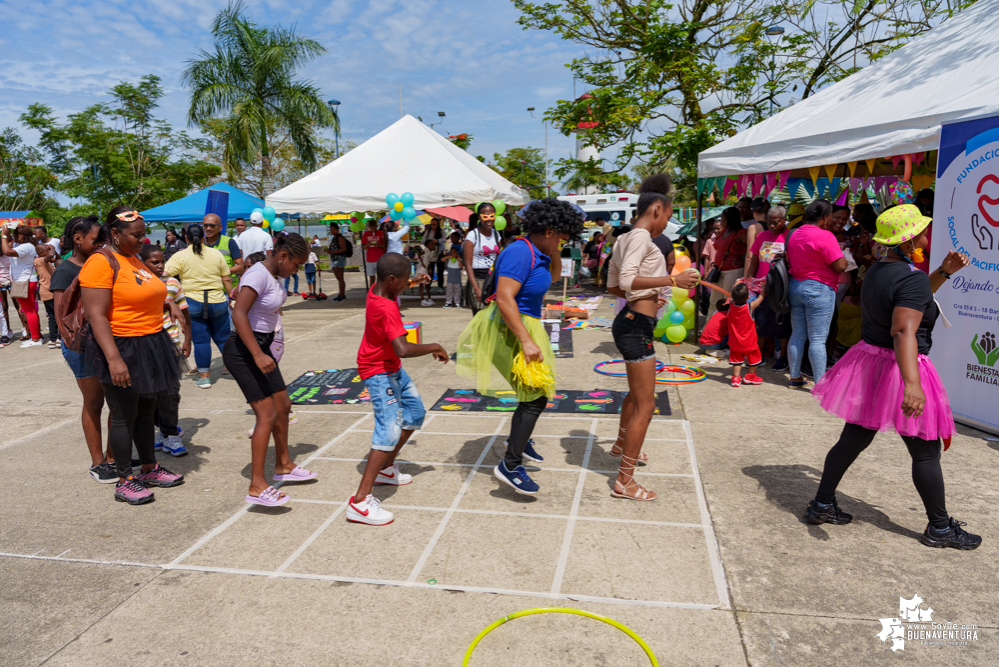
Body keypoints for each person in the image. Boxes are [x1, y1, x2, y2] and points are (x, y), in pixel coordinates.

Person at [805, 205, 980, 550]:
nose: (926, 235)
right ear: (909, 238)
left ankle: (822, 503)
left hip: (870, 364)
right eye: (921, 230)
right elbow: (903, 330)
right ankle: (940, 528)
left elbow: (912, 298)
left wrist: (943, 273)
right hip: (899, 369)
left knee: (853, 438)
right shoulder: (909, 276)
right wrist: (912, 384)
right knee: (926, 452)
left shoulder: (879, 270)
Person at [457, 199, 584, 495]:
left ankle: (518, 440)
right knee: (535, 397)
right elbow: (504, 297)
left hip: (523, 326)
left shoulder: (539, 251)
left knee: (530, 393)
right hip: (506, 330)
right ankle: (510, 465)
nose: (564, 241)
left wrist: (554, 250)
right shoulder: (519, 251)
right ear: (550, 229)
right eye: (562, 235)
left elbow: (552, 277)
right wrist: (526, 341)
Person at [79, 206, 184, 505]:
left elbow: (141, 290)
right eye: (136, 235)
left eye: (143, 233)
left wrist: (166, 302)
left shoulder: (132, 257)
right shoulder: (101, 263)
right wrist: (114, 359)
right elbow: (96, 314)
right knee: (124, 415)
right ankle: (125, 479)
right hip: (122, 346)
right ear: (115, 234)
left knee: (147, 411)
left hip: (151, 342)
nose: (143, 239)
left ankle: (149, 468)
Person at [606, 174, 699, 501]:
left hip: (633, 320)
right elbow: (629, 280)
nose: (668, 223)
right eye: (669, 216)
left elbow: (615, 286)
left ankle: (620, 444)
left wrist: (651, 294)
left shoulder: (626, 238)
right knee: (647, 403)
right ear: (657, 209)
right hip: (634, 328)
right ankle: (625, 481)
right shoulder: (641, 238)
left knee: (637, 395)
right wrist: (673, 280)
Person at [347, 253, 448, 525]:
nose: (407, 284)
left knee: (415, 413)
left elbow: (395, 283)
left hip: (391, 368)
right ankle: (359, 503)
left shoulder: (379, 288)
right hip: (378, 372)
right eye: (404, 281)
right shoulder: (387, 307)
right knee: (389, 429)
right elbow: (403, 348)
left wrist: (412, 281)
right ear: (391, 280)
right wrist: (434, 346)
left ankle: (386, 469)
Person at [223, 232, 316, 506]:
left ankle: (284, 464)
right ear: (283, 256)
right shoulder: (258, 275)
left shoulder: (273, 276)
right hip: (244, 350)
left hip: (261, 347)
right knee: (266, 413)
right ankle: (257, 485)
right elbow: (238, 314)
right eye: (296, 265)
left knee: (283, 405)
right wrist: (256, 353)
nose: (296, 270)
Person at [52, 216, 116, 482]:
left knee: (117, 402)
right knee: (94, 402)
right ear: (77, 239)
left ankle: (115, 457)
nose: (102, 243)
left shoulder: (101, 263)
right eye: (96, 239)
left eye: (103, 239)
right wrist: (82, 348)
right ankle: (98, 462)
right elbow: (61, 317)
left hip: (107, 341)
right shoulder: (65, 271)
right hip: (81, 347)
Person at [786, 199, 847, 387]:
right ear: (825, 217)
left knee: (797, 335)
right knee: (818, 340)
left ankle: (795, 376)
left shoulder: (793, 234)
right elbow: (841, 265)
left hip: (795, 286)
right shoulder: (825, 236)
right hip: (819, 288)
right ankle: (820, 384)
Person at [164, 223, 233, 389]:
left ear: (186, 238)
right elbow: (227, 279)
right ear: (204, 238)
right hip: (218, 302)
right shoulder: (216, 253)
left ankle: (205, 377)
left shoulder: (180, 256)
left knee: (201, 342)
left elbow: (164, 275)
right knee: (224, 339)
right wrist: (231, 298)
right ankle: (239, 369)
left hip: (193, 303)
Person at [140, 244, 191, 457]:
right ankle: (162, 427)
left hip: (171, 346)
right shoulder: (137, 284)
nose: (161, 266)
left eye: (162, 261)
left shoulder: (172, 283)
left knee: (170, 391)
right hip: (146, 346)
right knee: (149, 393)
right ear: (142, 263)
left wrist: (187, 339)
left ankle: (169, 434)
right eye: (155, 262)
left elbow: (185, 314)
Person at [748, 205, 792, 371]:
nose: (772, 226)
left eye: (776, 222)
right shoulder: (761, 236)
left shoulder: (790, 237)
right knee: (760, 322)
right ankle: (757, 355)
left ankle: (782, 358)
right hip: (761, 287)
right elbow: (754, 261)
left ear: (784, 220)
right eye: (769, 222)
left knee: (782, 324)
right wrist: (750, 282)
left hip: (781, 288)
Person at [0, 224, 43, 347]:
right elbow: (8, 245)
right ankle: (36, 336)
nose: (13, 237)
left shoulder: (26, 247)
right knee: (30, 310)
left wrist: (3, 235)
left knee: (29, 311)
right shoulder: (24, 246)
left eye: (14, 235)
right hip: (25, 281)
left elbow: (6, 251)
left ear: (21, 236)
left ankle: (35, 339)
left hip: (24, 282)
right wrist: (7, 235)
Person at [463, 203, 501, 314]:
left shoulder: (496, 234)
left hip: (493, 279)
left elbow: (499, 258)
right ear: (479, 217)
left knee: (494, 315)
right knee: (480, 315)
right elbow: (468, 265)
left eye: (491, 215)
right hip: (478, 279)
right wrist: (476, 289)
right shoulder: (472, 235)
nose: (489, 219)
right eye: (485, 216)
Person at [709, 207, 747, 317]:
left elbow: (753, 248)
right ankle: (710, 327)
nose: (721, 221)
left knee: (728, 301)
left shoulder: (740, 233)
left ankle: (726, 330)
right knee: (714, 301)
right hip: (719, 271)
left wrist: (743, 261)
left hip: (733, 272)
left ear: (729, 219)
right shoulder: (724, 231)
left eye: (723, 218)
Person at [727, 283, 766, 388]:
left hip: (735, 341)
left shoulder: (731, 306)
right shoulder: (750, 307)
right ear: (748, 297)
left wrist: (735, 283)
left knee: (736, 360)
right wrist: (764, 289)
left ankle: (735, 378)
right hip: (749, 342)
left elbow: (731, 296)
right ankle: (750, 376)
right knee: (755, 359)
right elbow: (761, 298)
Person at [203, 213, 244, 285]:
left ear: (220, 227)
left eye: (212, 226)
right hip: (208, 290)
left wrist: (221, 271)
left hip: (227, 291)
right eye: (205, 226)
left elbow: (241, 267)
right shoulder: (201, 244)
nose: (208, 228)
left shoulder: (229, 242)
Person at [33, 243, 59, 348]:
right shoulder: (39, 260)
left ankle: (53, 339)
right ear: (40, 253)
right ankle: (56, 338)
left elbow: (58, 259)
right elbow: (50, 255)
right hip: (48, 291)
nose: (49, 251)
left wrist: (54, 251)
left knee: (53, 315)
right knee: (55, 315)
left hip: (51, 290)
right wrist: (52, 247)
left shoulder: (46, 260)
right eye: (46, 250)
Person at [422, 217, 446, 291]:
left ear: (438, 225)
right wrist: (429, 243)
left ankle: (440, 286)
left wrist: (437, 241)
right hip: (430, 253)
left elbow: (444, 239)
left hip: (440, 252)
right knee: (430, 270)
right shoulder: (428, 232)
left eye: (435, 224)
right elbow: (423, 241)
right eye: (432, 224)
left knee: (440, 270)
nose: (433, 226)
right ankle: (428, 286)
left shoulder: (441, 231)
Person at [362, 219, 387, 290]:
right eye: (371, 226)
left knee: (381, 277)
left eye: (374, 225)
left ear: (376, 226)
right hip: (370, 259)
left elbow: (386, 246)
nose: (373, 227)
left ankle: (381, 291)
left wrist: (379, 245)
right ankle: (372, 292)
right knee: (371, 277)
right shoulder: (366, 234)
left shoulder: (381, 233)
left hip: (380, 259)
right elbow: (363, 247)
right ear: (369, 226)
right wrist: (367, 245)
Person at [327, 223, 348, 301]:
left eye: (334, 229)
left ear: (337, 229)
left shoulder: (340, 237)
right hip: (335, 259)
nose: (332, 231)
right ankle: (341, 294)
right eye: (331, 229)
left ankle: (342, 295)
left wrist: (333, 252)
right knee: (339, 278)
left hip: (339, 259)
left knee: (340, 278)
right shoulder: (334, 238)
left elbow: (343, 249)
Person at [418, 239, 439, 306]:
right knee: (421, 284)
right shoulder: (426, 250)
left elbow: (429, 261)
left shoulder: (430, 252)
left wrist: (429, 268)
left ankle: (429, 298)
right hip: (421, 269)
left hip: (425, 269)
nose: (434, 246)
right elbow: (419, 254)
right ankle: (423, 300)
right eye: (432, 244)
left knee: (427, 284)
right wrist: (422, 263)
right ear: (427, 245)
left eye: (434, 244)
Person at [0, 252, 10, 346]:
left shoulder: (8, 254)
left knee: (1, 314)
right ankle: (6, 332)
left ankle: (4, 335)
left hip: (9, 281)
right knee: (3, 309)